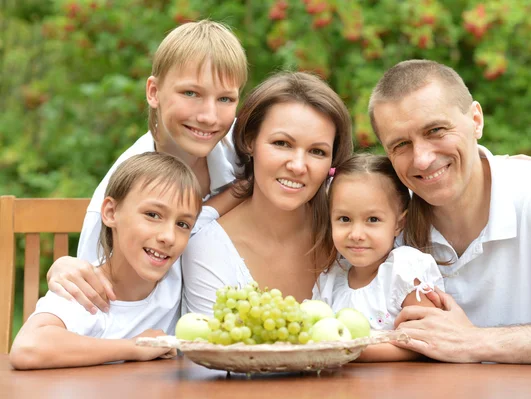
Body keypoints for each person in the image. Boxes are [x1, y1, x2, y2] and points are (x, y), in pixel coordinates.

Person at [368, 59, 531, 365]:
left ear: (476, 120)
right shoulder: (385, 220)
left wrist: (475, 341)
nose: (422, 159)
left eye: (436, 130)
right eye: (401, 144)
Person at [45, 19, 248, 315]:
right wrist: (64, 269)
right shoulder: (120, 194)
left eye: (226, 99)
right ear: (153, 92)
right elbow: (95, 303)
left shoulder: (243, 156)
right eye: (191, 93)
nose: (208, 116)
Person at [181, 71, 354, 315]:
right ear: (250, 141)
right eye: (282, 144)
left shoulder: (352, 235)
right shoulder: (207, 250)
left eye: (317, 151)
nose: (297, 166)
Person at [10, 152, 203, 370]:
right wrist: (134, 347)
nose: (168, 237)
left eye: (183, 224)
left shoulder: (180, 277)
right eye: (153, 214)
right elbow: (27, 348)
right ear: (111, 213)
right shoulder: (84, 288)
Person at [312, 153, 443, 362]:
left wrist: (352, 351)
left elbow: (427, 340)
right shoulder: (329, 281)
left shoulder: (404, 271)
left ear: (399, 223)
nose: (356, 234)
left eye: (372, 219)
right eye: (344, 219)